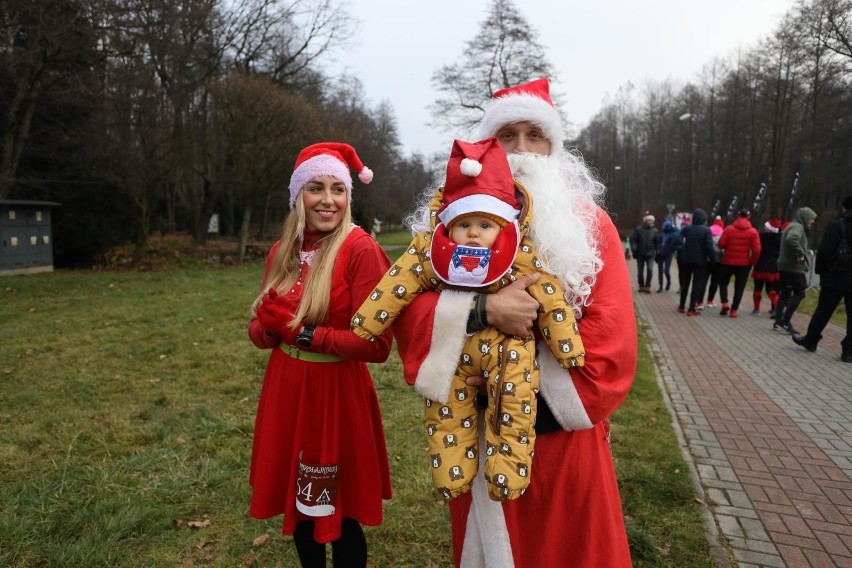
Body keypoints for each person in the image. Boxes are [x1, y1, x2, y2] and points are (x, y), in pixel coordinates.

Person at [392, 77, 635, 568]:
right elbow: (410, 308)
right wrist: (484, 312)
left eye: (534, 135)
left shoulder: (590, 225)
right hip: (474, 425)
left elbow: (610, 333)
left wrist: (518, 386)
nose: (522, 150)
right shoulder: (451, 223)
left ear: (555, 146)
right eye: (507, 136)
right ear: (488, 146)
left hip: (564, 438)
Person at [352, 136, 585, 502]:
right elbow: (399, 283)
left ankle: (508, 471)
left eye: (485, 225)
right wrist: (368, 321)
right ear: (447, 225)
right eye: (465, 225)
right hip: (453, 357)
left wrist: (565, 343)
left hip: (511, 357)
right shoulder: (432, 252)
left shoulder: (525, 252)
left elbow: (550, 294)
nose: (474, 232)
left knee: (513, 407)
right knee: (445, 409)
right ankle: (451, 471)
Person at [247, 142, 393, 567]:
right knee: (302, 506)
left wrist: (306, 333)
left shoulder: (360, 249)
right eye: (316, 188)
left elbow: (377, 345)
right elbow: (261, 335)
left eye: (338, 189)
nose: (328, 200)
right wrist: (267, 327)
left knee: (338, 511)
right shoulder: (283, 251)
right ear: (298, 196)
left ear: (349, 197)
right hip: (287, 391)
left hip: (336, 393)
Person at [792, 195, 852, 363]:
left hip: (834, 276)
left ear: (845, 208)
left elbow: (825, 251)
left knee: (823, 310)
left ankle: (811, 340)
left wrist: (820, 271)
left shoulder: (837, 225)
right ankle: (849, 351)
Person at [773, 206, 817, 335]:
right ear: (804, 218)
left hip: (784, 266)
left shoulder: (792, 225)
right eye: (811, 219)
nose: (812, 221)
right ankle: (785, 322)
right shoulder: (797, 227)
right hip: (793, 268)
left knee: (785, 294)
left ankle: (778, 322)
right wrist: (800, 254)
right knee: (800, 293)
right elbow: (791, 239)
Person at [717, 209, 761, 318]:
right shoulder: (753, 232)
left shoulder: (728, 229)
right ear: (749, 217)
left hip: (727, 262)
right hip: (744, 264)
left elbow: (721, 244)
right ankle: (734, 310)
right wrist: (752, 262)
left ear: (738, 216)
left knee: (723, 282)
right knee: (739, 287)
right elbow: (757, 250)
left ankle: (724, 302)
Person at [677, 208, 715, 316]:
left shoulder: (686, 229)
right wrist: (712, 260)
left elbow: (680, 241)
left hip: (686, 259)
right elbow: (709, 247)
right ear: (704, 219)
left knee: (685, 283)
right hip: (700, 261)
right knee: (696, 284)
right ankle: (692, 308)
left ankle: (681, 306)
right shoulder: (706, 231)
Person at [751, 218, 783, 316]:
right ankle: (777, 309)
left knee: (757, 288)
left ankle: (756, 309)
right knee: (771, 289)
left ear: (769, 229)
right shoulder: (780, 239)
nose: (764, 228)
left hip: (760, 266)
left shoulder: (760, 237)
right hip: (773, 267)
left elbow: (756, 249)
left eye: (766, 226)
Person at [630, 212, 660, 293]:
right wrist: (634, 250)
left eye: (652, 221)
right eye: (649, 220)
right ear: (645, 221)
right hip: (640, 254)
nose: (650, 222)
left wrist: (658, 254)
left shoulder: (655, 231)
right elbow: (632, 240)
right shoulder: (638, 229)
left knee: (650, 270)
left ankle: (647, 286)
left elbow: (657, 243)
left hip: (651, 254)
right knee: (640, 271)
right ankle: (641, 285)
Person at [702, 216, 725, 308]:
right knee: (714, 281)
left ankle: (699, 301)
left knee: (703, 281)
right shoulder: (723, 234)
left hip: (707, 260)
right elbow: (723, 248)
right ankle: (710, 300)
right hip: (718, 261)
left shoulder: (707, 232)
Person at [655, 219, 681, 292]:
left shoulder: (673, 235)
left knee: (666, 270)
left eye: (664, 226)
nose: (663, 227)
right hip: (660, 255)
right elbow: (658, 244)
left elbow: (675, 244)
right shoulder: (661, 235)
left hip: (668, 255)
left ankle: (668, 282)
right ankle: (660, 286)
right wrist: (657, 252)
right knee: (660, 271)